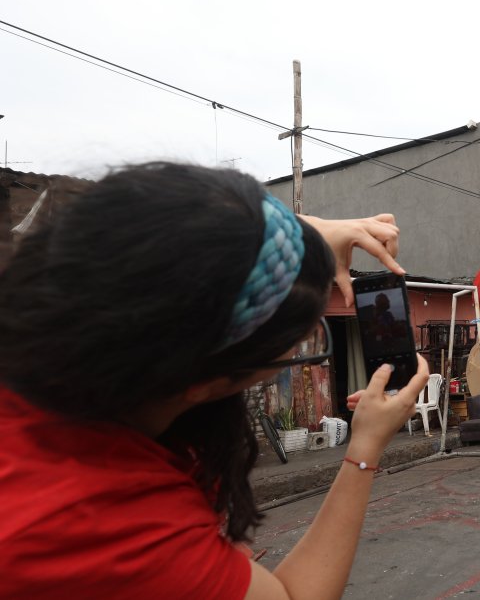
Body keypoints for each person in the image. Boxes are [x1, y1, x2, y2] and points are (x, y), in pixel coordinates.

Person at [0, 162, 429, 598]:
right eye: (298, 342)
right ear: (206, 382)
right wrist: (364, 448)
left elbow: (174, 251)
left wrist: (307, 234)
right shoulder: (118, 529)